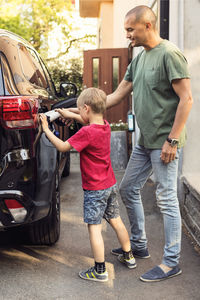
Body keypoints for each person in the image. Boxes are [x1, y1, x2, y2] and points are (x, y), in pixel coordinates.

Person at [106, 5, 193, 282]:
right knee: (128, 187)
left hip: (165, 143)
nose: (128, 35)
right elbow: (117, 94)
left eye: (131, 29)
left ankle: (171, 262)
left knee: (166, 199)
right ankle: (140, 245)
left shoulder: (170, 54)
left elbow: (186, 99)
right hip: (145, 141)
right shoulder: (139, 58)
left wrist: (172, 139)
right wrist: (82, 109)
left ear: (148, 25)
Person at [39, 87, 136, 283]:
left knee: (94, 227)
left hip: (95, 189)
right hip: (109, 184)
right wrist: (69, 113)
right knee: (116, 219)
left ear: (86, 108)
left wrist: (46, 129)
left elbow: (64, 146)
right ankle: (129, 255)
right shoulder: (105, 125)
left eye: (78, 109)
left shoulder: (86, 132)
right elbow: (86, 119)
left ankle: (100, 270)